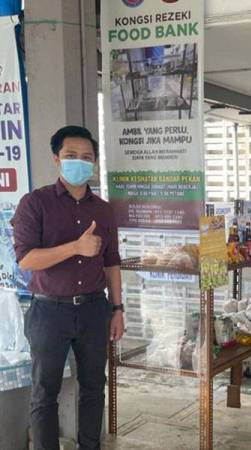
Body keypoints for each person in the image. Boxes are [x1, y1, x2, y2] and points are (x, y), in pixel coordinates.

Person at [11, 126, 125, 450]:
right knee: (45, 393)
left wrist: (117, 309)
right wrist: (75, 247)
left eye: (87, 157)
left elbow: (111, 262)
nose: (79, 162)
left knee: (93, 387)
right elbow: (27, 260)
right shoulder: (35, 203)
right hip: (49, 311)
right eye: (71, 156)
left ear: (94, 164)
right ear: (56, 160)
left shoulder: (103, 210)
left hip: (93, 310)